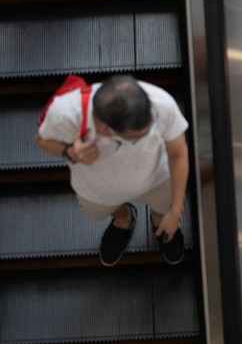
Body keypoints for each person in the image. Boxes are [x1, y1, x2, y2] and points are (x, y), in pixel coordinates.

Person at [35, 75, 189, 267]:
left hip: (156, 179)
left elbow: (178, 153)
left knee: (163, 208)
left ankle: (160, 220)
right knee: (105, 210)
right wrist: (70, 152)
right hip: (98, 190)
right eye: (136, 138)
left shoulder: (161, 104)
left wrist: (174, 212)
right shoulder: (66, 112)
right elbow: (42, 139)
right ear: (103, 127)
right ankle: (123, 217)